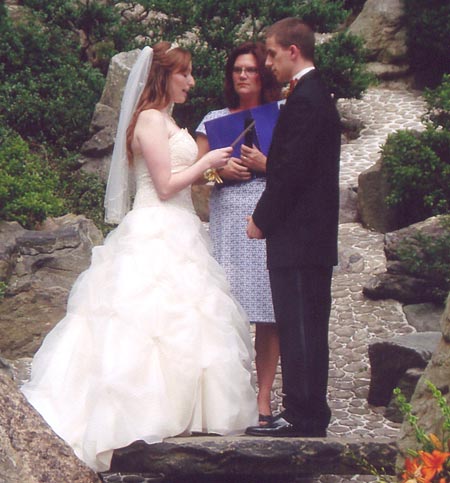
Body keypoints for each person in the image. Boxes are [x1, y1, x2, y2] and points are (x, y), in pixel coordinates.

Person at [21, 42, 258, 472]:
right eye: (184, 73)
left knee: (187, 322)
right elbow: (165, 186)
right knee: (146, 324)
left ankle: (188, 416)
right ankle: (139, 415)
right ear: (162, 75)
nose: (191, 81)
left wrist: (213, 170)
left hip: (182, 227)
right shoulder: (149, 119)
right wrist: (207, 160)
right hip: (156, 225)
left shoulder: (167, 119)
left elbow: (184, 182)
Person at [246, 18, 341, 437]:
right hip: (308, 237)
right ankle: (306, 410)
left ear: (293, 51)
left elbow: (290, 171)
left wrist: (260, 219)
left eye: (270, 53)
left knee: (300, 324)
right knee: (305, 323)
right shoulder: (311, 94)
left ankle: (304, 416)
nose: (267, 62)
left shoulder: (307, 100)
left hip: (300, 236)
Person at [196, 42, 281, 425]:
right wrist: (222, 172)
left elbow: (298, 167)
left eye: (250, 69)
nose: (243, 76)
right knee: (225, 309)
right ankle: (229, 398)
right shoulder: (213, 118)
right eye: (237, 70)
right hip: (228, 218)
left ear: (263, 74)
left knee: (268, 310)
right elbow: (197, 174)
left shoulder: (280, 114)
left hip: (268, 216)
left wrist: (266, 165)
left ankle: (263, 400)